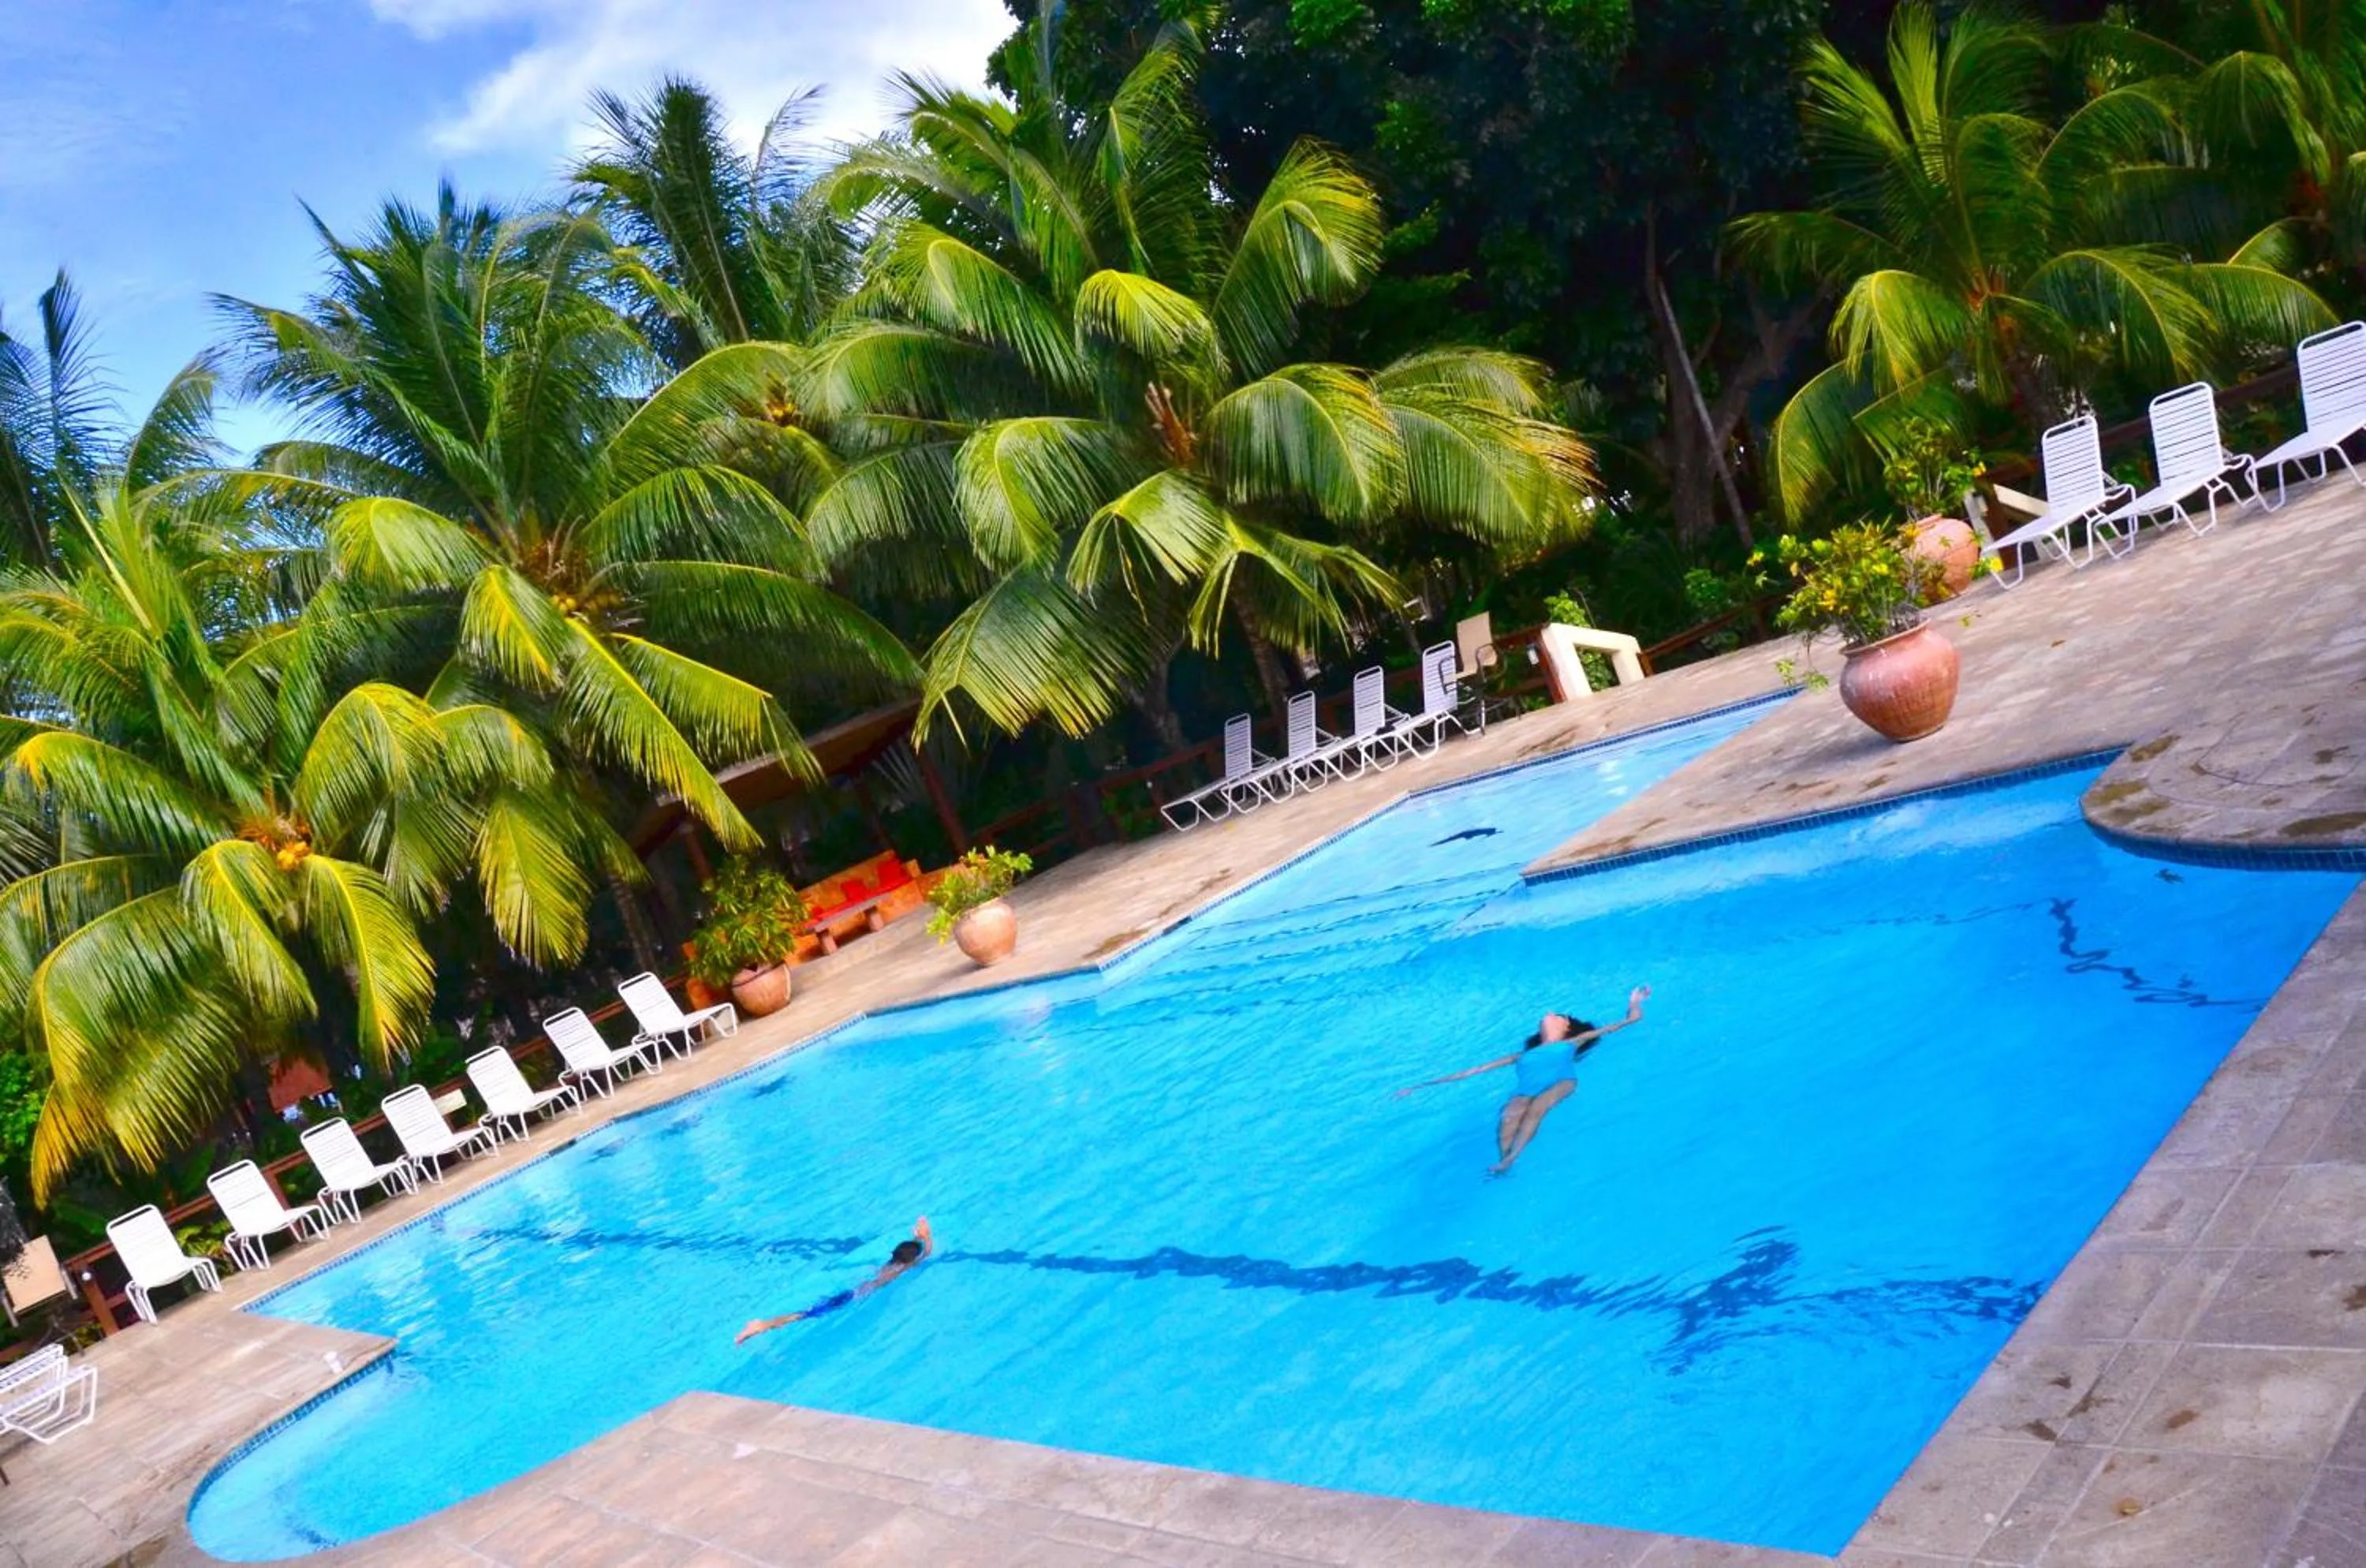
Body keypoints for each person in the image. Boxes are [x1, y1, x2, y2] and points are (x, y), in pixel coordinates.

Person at [1396, 987, 1650, 1174]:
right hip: (1526, 1089)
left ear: (1566, 1029)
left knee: (1537, 1109)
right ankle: (1504, 1160)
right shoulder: (1522, 1055)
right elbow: (1473, 1071)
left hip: (1562, 1080)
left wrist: (1635, 1001)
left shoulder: (1574, 1041)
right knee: (1510, 1113)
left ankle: (1514, 1156)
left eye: (1558, 1016)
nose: (1551, 1013)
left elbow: (1631, 1021)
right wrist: (1419, 1086)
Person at [736, 1215, 934, 1344]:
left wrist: (919, 1236)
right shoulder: (899, 1269)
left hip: (851, 1292)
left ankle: (762, 1325)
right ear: (909, 1260)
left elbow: (912, 1253)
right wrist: (926, 1236)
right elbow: (925, 1254)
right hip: (852, 1297)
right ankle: (761, 1326)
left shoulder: (892, 1263)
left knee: (809, 1313)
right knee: (806, 1315)